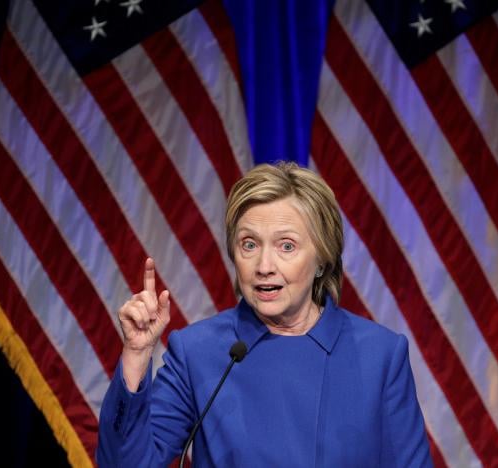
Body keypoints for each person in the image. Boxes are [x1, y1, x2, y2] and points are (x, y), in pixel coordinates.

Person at [96, 162, 432, 467]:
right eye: (249, 244)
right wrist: (138, 354)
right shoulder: (198, 352)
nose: (264, 267)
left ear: (321, 260)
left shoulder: (380, 356)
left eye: (286, 246)